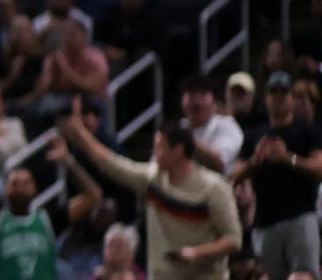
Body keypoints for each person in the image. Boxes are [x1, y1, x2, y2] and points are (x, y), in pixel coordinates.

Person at [61, 104, 242, 278]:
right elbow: (111, 164)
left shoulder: (214, 188)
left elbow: (234, 240)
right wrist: (82, 136)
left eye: (160, 147)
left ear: (178, 150)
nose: (154, 153)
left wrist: (196, 253)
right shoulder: (152, 180)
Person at [0, 125, 102, 280]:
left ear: (36, 189)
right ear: (5, 190)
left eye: (26, 183)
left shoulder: (48, 219)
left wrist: (68, 161)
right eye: (15, 183)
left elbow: (93, 195)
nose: (21, 187)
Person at [232, 73, 322, 280]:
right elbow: (235, 175)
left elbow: (319, 168)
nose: (279, 97)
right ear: (266, 98)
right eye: (274, 92)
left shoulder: (307, 130)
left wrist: (287, 158)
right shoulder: (254, 135)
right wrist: (255, 161)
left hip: (300, 216)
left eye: (284, 92)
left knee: (302, 275)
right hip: (265, 221)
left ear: (292, 97)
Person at [180, 77, 244, 173]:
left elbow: (220, 163)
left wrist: (188, 141)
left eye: (202, 95)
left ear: (214, 103)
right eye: (191, 95)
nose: (197, 102)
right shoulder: (179, 127)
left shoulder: (227, 125)